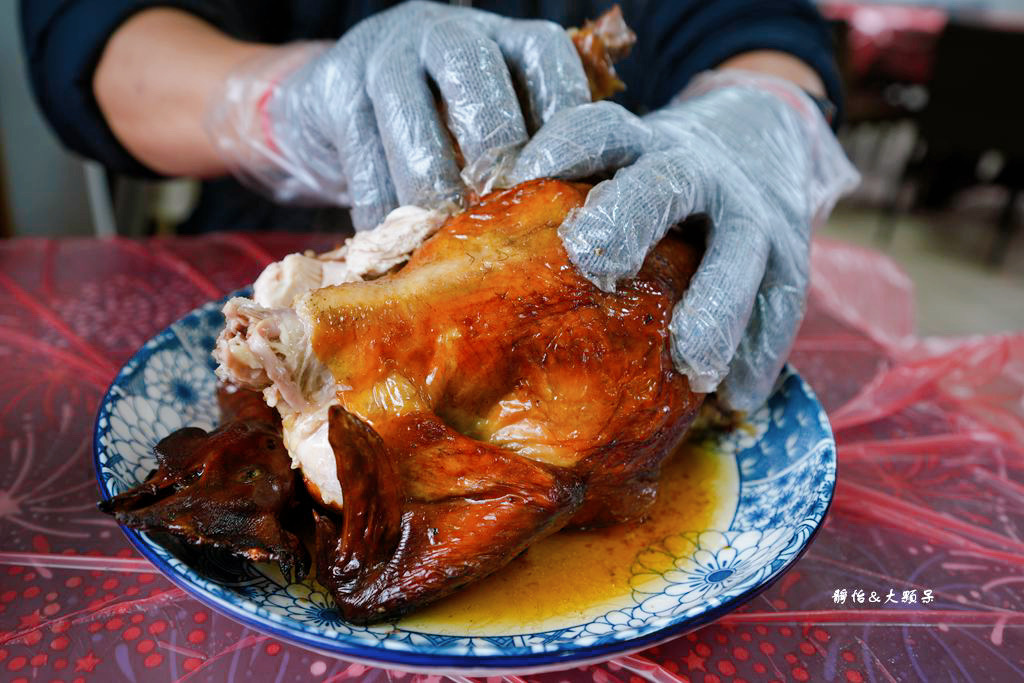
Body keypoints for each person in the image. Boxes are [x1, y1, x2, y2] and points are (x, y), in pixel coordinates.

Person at [21, 0, 858, 413]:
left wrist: (756, 116)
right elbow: (89, 29)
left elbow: (762, 26)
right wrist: (275, 101)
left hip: (600, 268)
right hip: (257, 260)